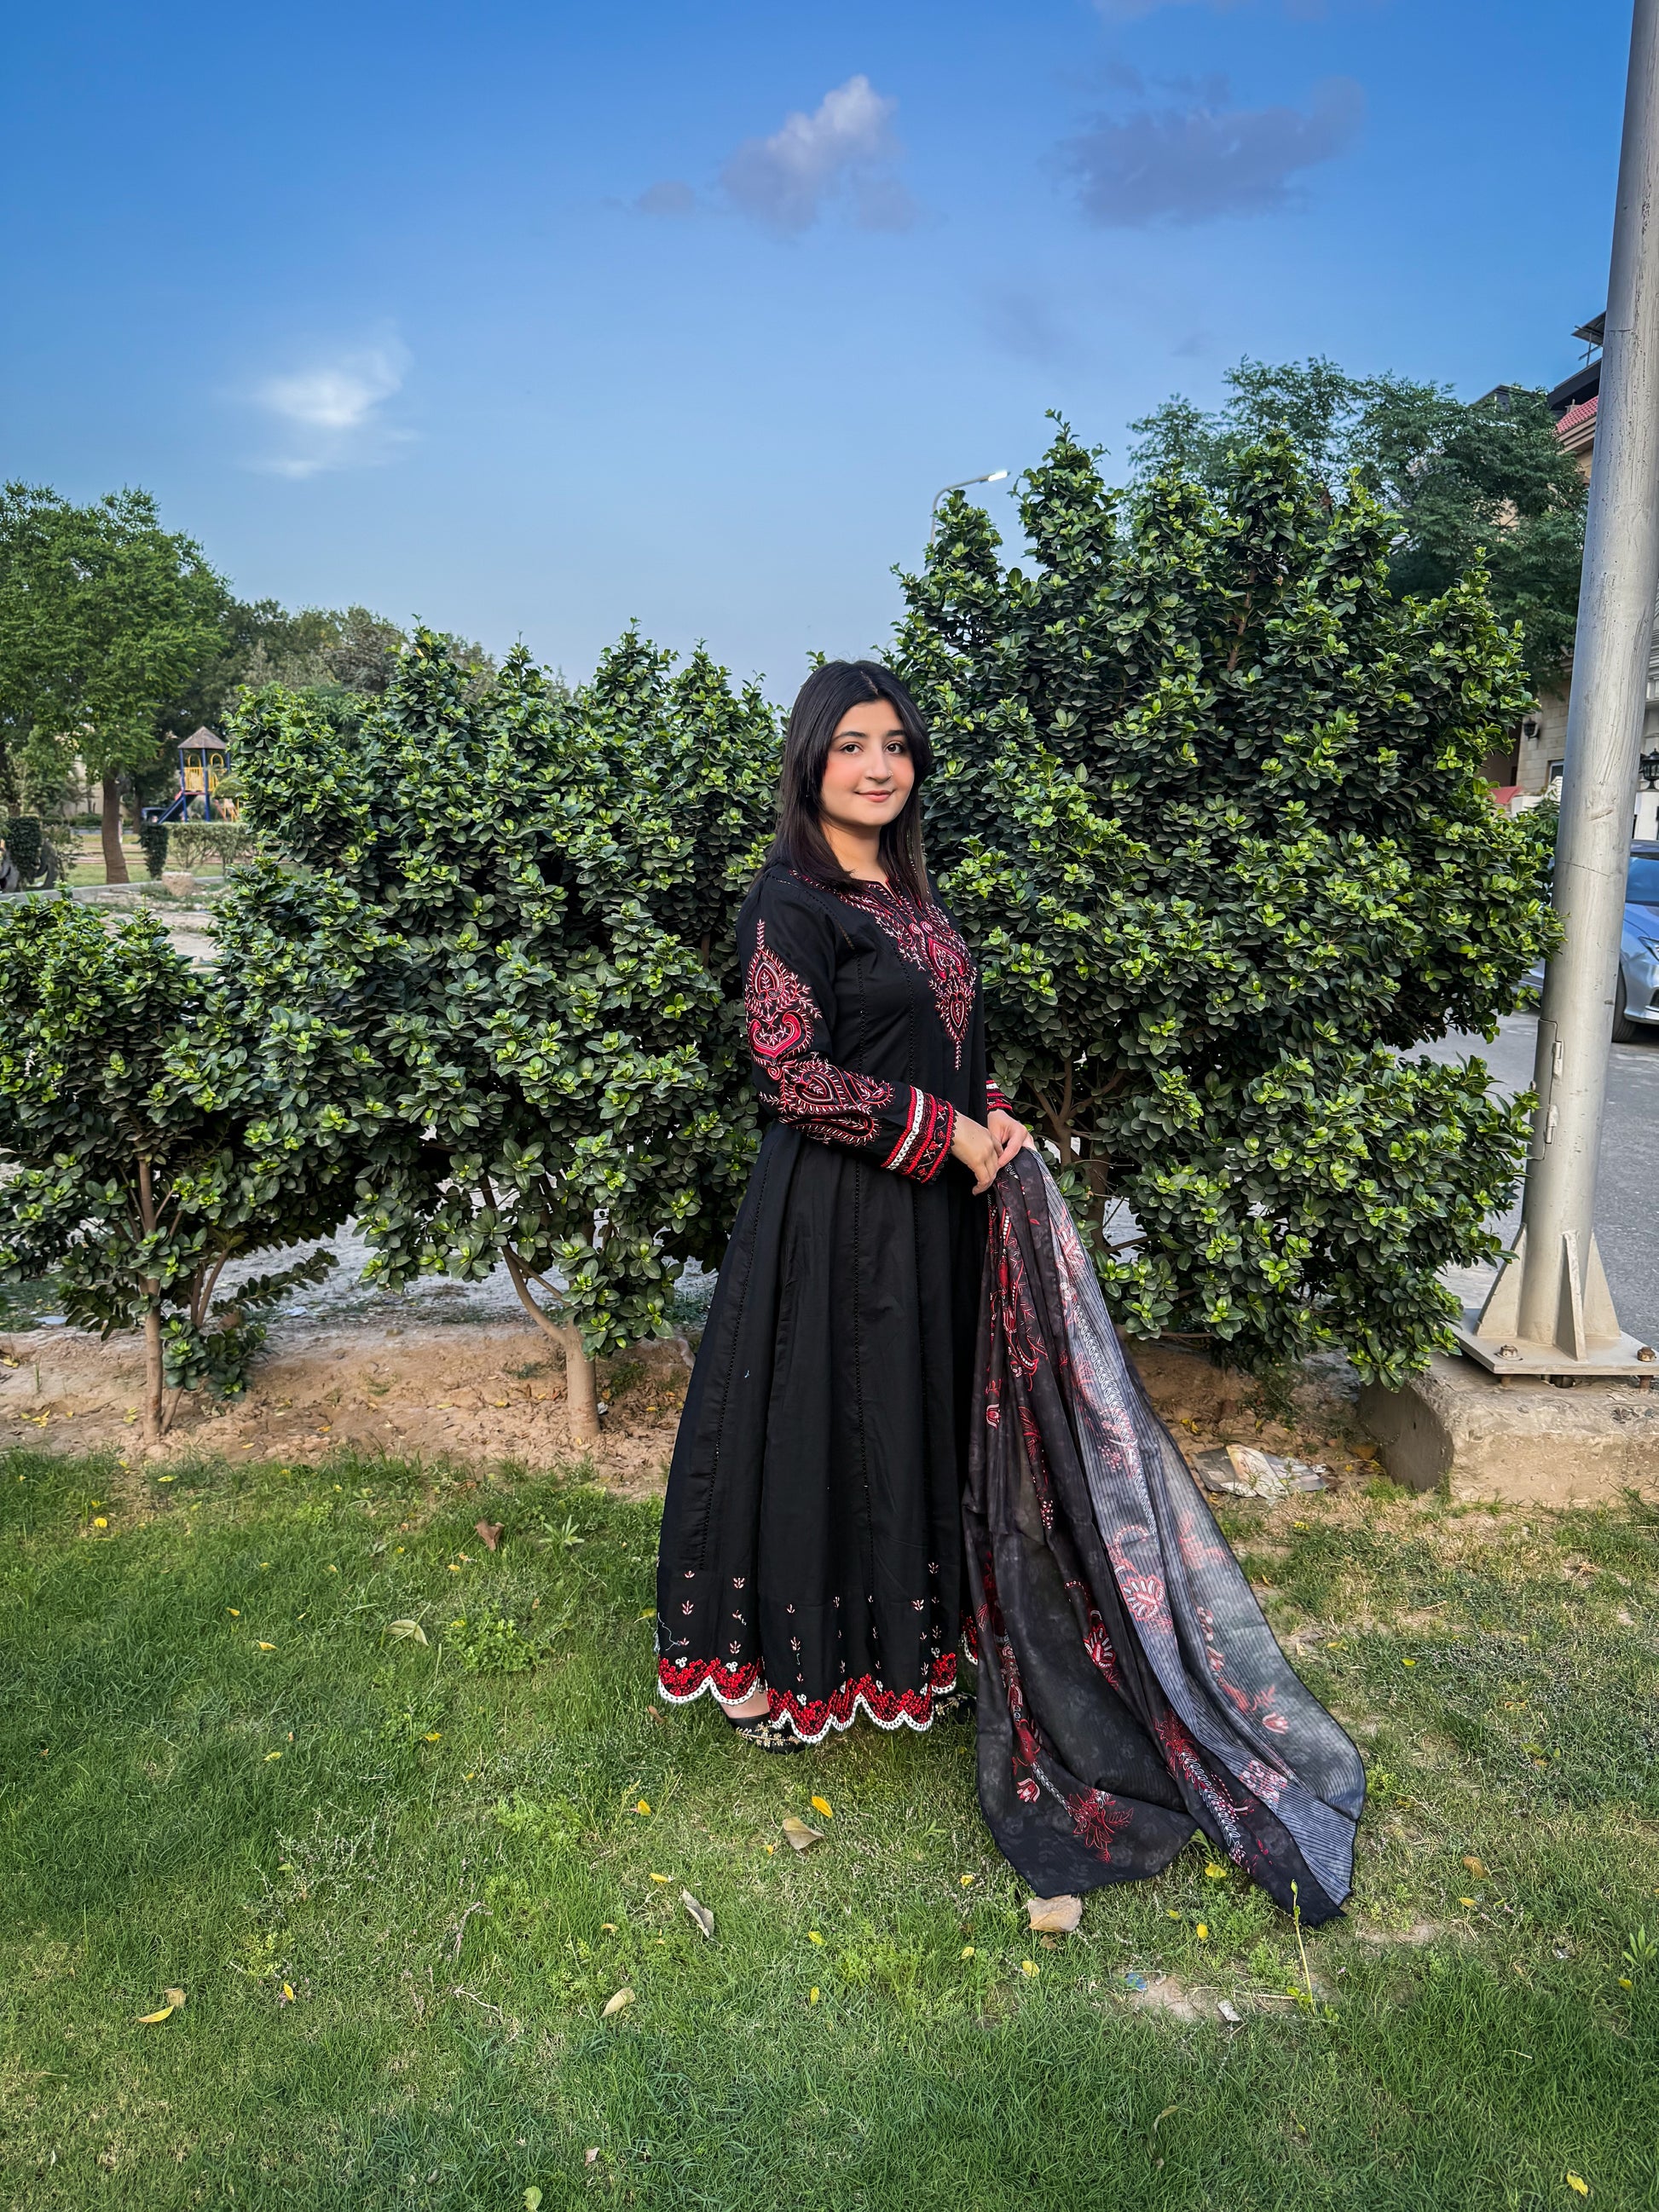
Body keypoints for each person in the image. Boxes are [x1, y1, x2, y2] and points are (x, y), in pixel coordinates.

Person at [654, 660, 1032, 1750]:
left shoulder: (910, 896)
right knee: (821, 1426)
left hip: (927, 1215)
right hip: (836, 1214)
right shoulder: (790, 901)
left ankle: (898, 1650)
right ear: (810, 761)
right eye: (853, 746)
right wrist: (943, 1130)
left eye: (895, 746)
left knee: (908, 1421)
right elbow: (791, 1078)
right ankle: (762, 1671)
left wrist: (988, 1107)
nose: (878, 768)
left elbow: (940, 1033)